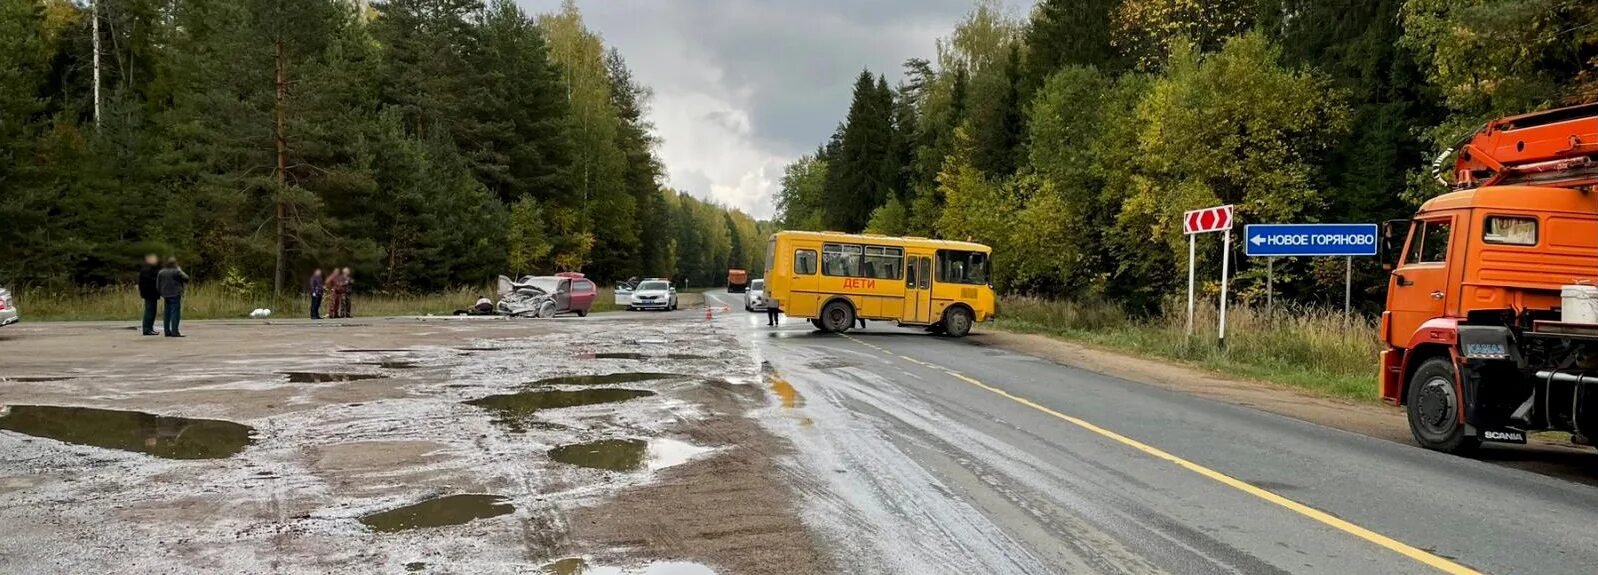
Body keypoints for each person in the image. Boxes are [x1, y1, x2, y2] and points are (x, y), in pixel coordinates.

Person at [156, 257, 189, 338]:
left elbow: (158, 284)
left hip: (165, 294)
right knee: (175, 313)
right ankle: (175, 331)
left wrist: (160, 292)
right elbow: (186, 278)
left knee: (167, 313)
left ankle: (167, 331)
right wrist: (180, 270)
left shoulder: (161, 272)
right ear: (175, 264)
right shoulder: (176, 271)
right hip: (175, 293)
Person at [138, 254, 161, 336]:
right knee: (150, 311)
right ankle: (147, 329)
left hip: (150, 293)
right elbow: (149, 281)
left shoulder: (149, 268)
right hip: (150, 293)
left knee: (152, 311)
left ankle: (149, 328)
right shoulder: (147, 269)